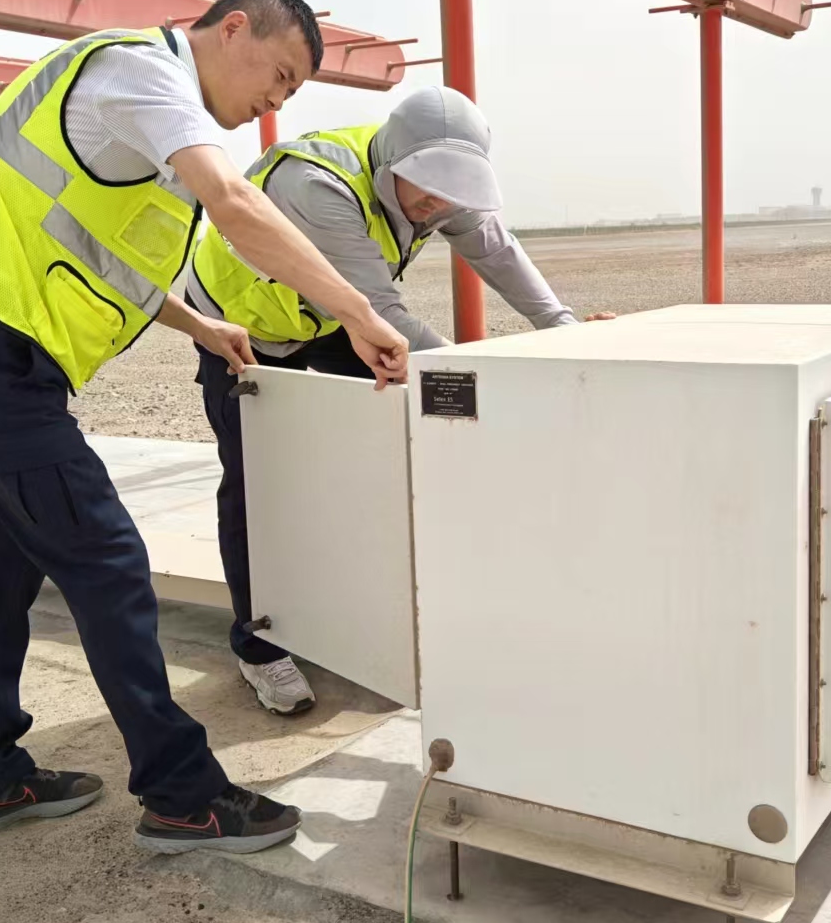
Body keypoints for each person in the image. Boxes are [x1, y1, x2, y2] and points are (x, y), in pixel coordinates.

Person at [0, 0, 409, 856]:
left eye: (290, 95)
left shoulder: (123, 95)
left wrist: (200, 323)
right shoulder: (140, 73)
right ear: (234, 27)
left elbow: (96, 247)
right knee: (108, 560)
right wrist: (360, 311)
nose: (275, 104)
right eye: (279, 75)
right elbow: (239, 207)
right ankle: (182, 794)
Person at [186, 86, 612, 714]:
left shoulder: (439, 189)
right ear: (392, 168)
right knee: (256, 487)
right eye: (427, 192)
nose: (437, 206)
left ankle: (357, 615)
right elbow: (385, 318)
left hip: (331, 318)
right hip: (243, 324)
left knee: (389, 448)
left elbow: (495, 249)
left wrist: (565, 330)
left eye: (451, 193)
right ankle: (258, 646)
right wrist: (482, 376)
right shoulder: (317, 185)